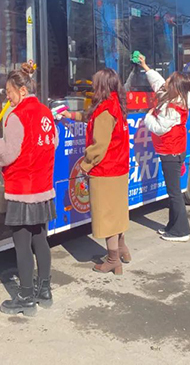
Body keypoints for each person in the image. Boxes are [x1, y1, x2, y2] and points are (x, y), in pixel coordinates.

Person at [0, 61, 57, 316]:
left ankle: (25, 296)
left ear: (22, 90)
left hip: (22, 189)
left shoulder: (16, 116)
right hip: (42, 187)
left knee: (22, 244)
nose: (7, 97)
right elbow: (53, 142)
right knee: (40, 239)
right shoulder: (45, 112)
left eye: (10, 92)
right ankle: (44, 290)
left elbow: (8, 153)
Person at [62, 68, 130, 274]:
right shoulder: (115, 104)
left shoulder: (105, 111)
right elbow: (89, 118)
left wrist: (85, 165)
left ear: (102, 86)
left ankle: (113, 259)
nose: (91, 86)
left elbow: (99, 146)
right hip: (119, 168)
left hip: (105, 171)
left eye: (94, 83)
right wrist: (70, 115)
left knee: (107, 216)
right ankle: (123, 250)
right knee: (117, 212)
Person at [139, 56, 190, 242]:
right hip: (175, 150)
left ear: (175, 87)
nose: (165, 82)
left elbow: (159, 128)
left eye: (169, 80)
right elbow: (158, 83)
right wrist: (145, 65)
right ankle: (172, 226)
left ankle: (181, 231)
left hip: (171, 151)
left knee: (175, 193)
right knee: (173, 192)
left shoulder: (172, 108)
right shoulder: (178, 98)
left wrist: (148, 116)